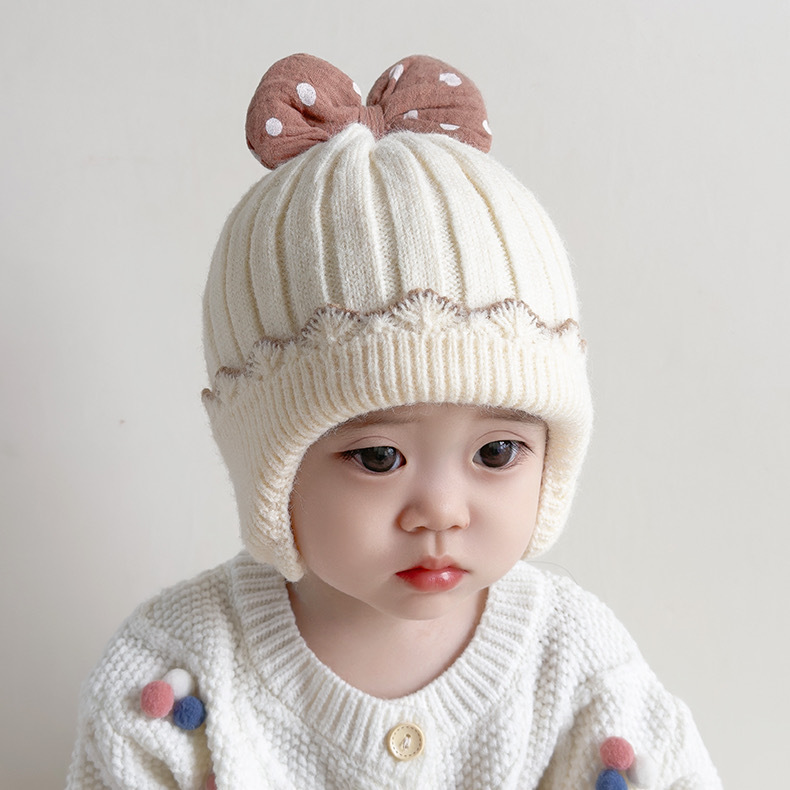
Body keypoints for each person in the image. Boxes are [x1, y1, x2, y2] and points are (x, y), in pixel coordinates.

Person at [66, 53, 722, 789]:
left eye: (497, 452)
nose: (441, 512)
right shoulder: (173, 678)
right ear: (271, 470)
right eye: (379, 457)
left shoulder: (575, 664)